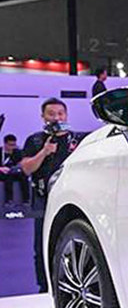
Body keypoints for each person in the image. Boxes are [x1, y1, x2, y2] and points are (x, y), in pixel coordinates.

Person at [20, 98, 81, 293]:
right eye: (51, 114)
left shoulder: (77, 140)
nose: (56, 118)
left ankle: (73, 285)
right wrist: (44, 152)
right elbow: (26, 169)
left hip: (73, 200)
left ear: (66, 115)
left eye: (60, 113)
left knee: (76, 242)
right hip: (43, 201)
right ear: (43, 117)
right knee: (42, 247)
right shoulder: (35, 140)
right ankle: (45, 287)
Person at [1, 133, 29, 207]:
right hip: (2, 172)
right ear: (5, 144)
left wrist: (16, 168)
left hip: (13, 171)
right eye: (10, 145)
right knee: (8, 177)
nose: (13, 147)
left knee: (24, 176)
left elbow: (21, 162)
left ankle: (26, 200)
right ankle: (9, 200)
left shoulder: (17, 152)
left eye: (14, 145)